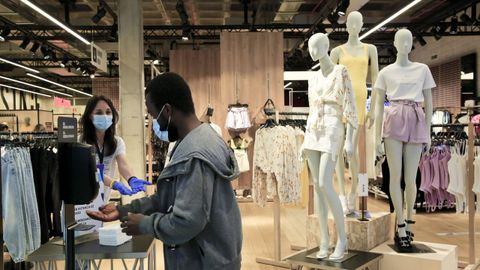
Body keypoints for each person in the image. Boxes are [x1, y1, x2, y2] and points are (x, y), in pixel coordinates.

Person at [87, 73, 243, 270]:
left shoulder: (194, 154)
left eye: (153, 115)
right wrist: (123, 210)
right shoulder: (195, 140)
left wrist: (144, 224)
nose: (155, 124)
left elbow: (186, 223)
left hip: (205, 263)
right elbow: (167, 198)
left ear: (167, 110)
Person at [80, 95, 150, 196]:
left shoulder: (117, 142)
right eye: (99, 112)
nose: (105, 116)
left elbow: (123, 164)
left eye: (108, 112)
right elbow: (90, 171)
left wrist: (131, 179)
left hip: (102, 200)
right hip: (80, 201)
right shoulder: (80, 142)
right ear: (90, 116)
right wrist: (113, 183)